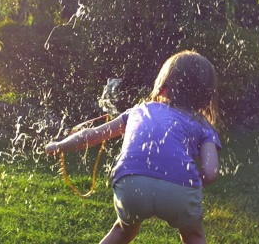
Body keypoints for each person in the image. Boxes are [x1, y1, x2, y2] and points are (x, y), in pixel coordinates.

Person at [45, 50, 221, 244]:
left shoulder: (140, 110)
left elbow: (92, 135)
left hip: (132, 184)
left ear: (163, 86)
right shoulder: (203, 126)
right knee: (193, 235)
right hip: (179, 188)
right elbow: (211, 173)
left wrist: (60, 145)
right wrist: (183, 184)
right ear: (206, 96)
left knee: (122, 230)